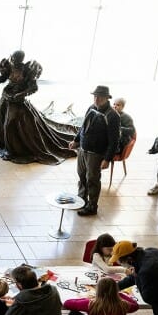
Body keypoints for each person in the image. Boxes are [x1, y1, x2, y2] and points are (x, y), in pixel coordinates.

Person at [0, 51, 77, 165]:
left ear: (21, 60)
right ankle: (4, 144)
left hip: (18, 101)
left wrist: (22, 94)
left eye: (16, 59)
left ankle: (13, 150)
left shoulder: (27, 70)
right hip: (6, 98)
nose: (13, 61)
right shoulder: (10, 66)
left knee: (10, 123)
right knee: (2, 121)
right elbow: (2, 78)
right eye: (13, 59)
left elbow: (33, 87)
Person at [69, 85, 120, 217]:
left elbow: (114, 140)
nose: (97, 99)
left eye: (100, 97)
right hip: (83, 149)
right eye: (95, 96)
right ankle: (81, 200)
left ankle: (92, 206)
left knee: (92, 179)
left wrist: (107, 159)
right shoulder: (91, 108)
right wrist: (76, 141)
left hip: (96, 154)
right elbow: (83, 127)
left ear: (106, 98)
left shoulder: (113, 115)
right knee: (81, 175)